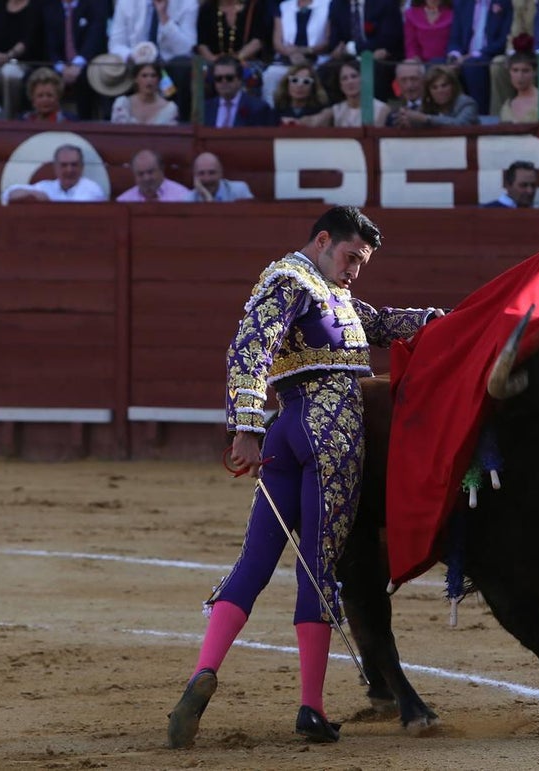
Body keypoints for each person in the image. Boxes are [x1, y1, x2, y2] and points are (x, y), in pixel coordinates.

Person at [165, 206, 440, 749]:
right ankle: (311, 707)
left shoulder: (330, 292)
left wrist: (452, 317)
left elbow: (383, 323)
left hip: (287, 430)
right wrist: (244, 427)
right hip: (328, 433)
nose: (354, 270)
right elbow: (249, 349)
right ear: (322, 240)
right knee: (318, 569)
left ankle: (204, 672)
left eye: (362, 263)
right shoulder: (291, 279)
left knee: (253, 562)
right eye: (351, 257)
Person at [108, 0, 198, 119]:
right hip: (134, 63)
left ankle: (179, 122)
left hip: (168, 66)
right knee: (107, 69)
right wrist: (136, 55)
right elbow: (115, 45)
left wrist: (165, 19)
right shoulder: (126, 3)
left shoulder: (187, 3)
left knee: (183, 67)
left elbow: (187, 49)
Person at [324, 0, 404, 103]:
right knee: (325, 70)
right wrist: (337, 49)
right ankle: (338, 110)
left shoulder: (385, 3)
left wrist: (352, 48)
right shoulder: (337, 4)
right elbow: (334, 41)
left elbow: (389, 38)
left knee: (373, 68)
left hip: (379, 55)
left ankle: (374, 109)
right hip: (348, 57)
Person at [42, 0, 109, 120]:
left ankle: (84, 124)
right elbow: (49, 44)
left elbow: (94, 37)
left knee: (85, 79)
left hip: (87, 63)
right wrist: (61, 67)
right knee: (37, 77)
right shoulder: (50, 6)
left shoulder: (95, 4)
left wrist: (77, 65)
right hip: (59, 65)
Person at [0, 0, 44, 117]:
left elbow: (27, 41)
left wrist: (7, 56)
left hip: (22, 62)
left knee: (9, 72)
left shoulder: (35, 8)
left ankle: (9, 118)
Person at [445, 0, 513, 116]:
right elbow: (455, 38)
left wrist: (474, 55)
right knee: (436, 65)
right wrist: (454, 56)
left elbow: (503, 41)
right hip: (464, 57)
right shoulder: (462, 3)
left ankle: (480, 116)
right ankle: (443, 118)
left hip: (490, 54)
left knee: (472, 66)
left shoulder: (505, 3)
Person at [261, 0, 333, 106]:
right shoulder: (284, 6)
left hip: (317, 59)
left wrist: (305, 51)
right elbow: (277, 43)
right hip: (287, 58)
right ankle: (271, 111)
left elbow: (328, 40)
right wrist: (291, 54)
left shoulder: (328, 4)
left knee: (322, 74)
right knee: (271, 75)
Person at [1, 143, 108, 203]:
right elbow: (8, 194)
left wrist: (48, 201)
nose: (69, 170)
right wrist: (34, 194)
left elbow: (70, 212)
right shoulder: (46, 187)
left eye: (74, 164)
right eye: (64, 165)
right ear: (55, 168)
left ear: (82, 167)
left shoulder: (92, 188)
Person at [196, 0, 268, 74]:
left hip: (245, 62)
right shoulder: (207, 9)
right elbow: (202, 44)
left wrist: (237, 59)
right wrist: (214, 60)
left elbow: (257, 40)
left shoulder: (253, 6)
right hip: (213, 63)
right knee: (199, 72)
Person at [395, 64, 478, 127]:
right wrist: (409, 123)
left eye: (444, 86)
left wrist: (426, 118)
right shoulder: (427, 106)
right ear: (429, 92)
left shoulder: (466, 103)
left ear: (453, 86)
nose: (440, 91)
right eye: (434, 87)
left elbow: (461, 124)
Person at [204, 55, 278, 127]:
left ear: (240, 80)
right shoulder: (205, 109)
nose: (224, 81)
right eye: (218, 78)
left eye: (229, 78)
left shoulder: (259, 108)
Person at [110, 60, 180, 124]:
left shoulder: (170, 108)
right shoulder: (122, 104)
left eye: (153, 76)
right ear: (136, 79)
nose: (149, 80)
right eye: (144, 76)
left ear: (159, 79)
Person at [327, 58, 387, 126]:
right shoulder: (336, 110)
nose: (350, 82)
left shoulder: (381, 109)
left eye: (354, 76)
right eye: (344, 78)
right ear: (340, 86)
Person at [117, 148, 192, 202]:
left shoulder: (183, 197)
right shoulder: (124, 201)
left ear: (162, 169)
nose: (146, 178)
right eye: (140, 174)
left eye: (150, 172)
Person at [189, 151, 255, 201]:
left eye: (212, 173)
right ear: (194, 176)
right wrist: (207, 196)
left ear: (220, 173)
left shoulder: (239, 191)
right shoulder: (189, 199)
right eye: (201, 173)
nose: (207, 179)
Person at [497, 50, 539, 124]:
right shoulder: (506, 107)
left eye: (525, 71)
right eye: (515, 70)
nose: (520, 76)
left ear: (534, 72)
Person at [384, 58, 424, 125]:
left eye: (414, 79)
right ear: (397, 82)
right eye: (403, 80)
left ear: (424, 80)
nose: (409, 85)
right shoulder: (391, 109)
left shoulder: (436, 105)